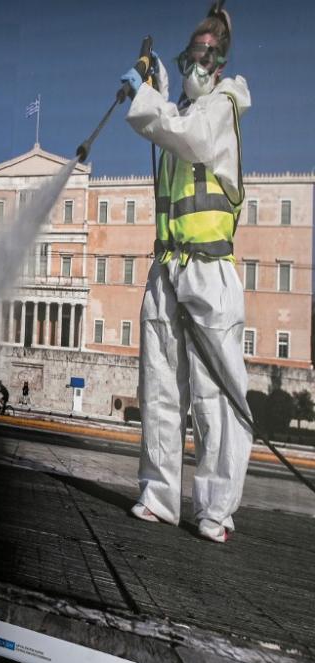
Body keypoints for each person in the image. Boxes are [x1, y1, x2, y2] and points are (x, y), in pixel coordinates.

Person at [122, 6, 251, 543]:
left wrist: (145, 94)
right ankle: (159, 496)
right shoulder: (181, 110)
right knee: (159, 388)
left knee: (215, 397)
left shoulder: (222, 105)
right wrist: (153, 83)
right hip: (167, 267)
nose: (196, 64)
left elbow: (190, 134)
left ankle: (215, 511)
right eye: (189, 56)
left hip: (209, 271)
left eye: (204, 55)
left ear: (218, 63)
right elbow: (172, 120)